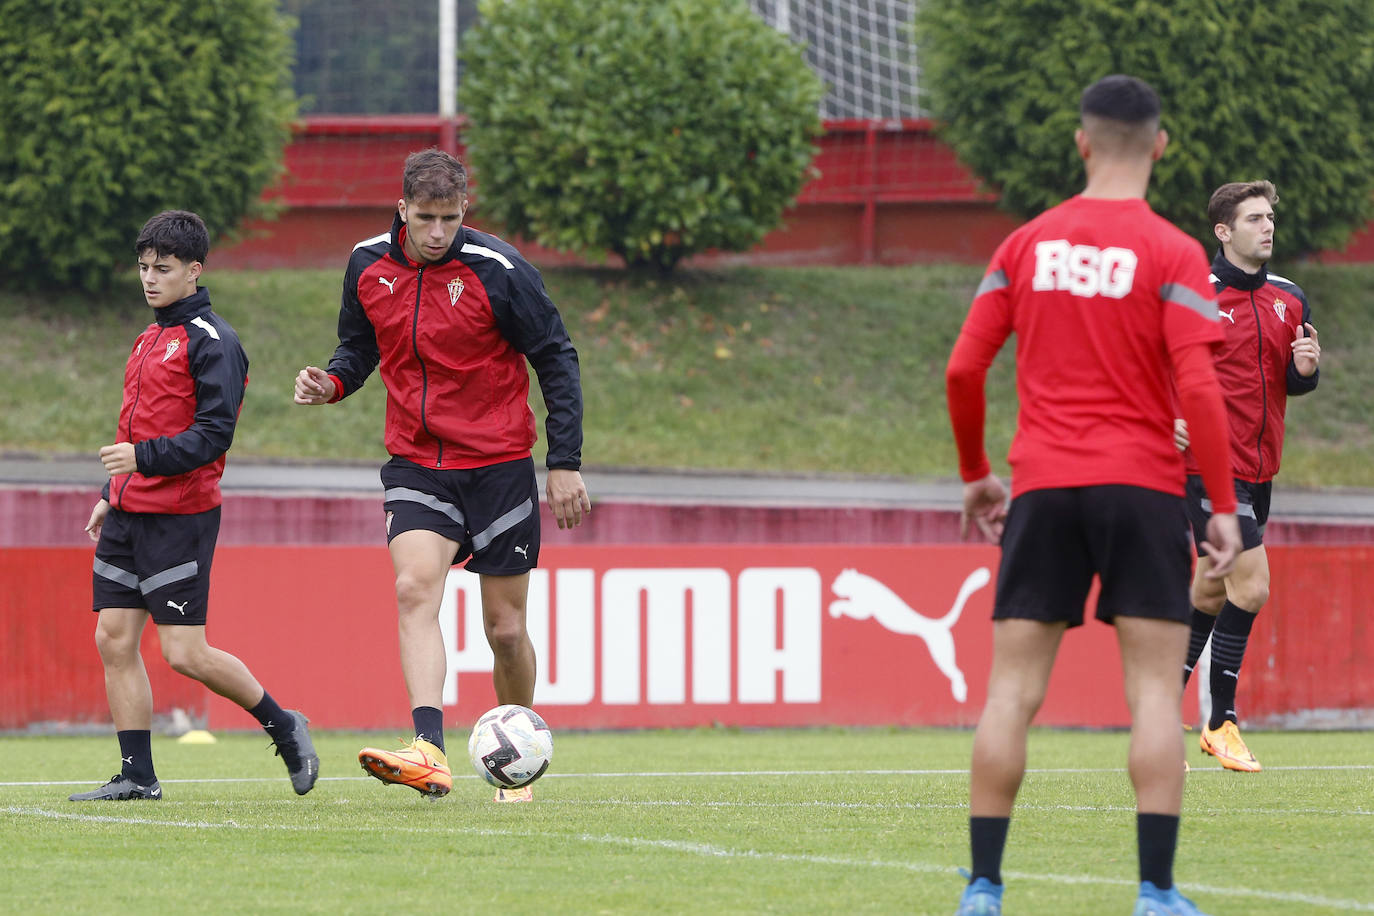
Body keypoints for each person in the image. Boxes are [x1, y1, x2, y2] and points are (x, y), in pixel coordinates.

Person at [944, 76, 1243, 916]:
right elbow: (1201, 386)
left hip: (1043, 485)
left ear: (1081, 143)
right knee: (1152, 693)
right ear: (1160, 145)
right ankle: (1154, 893)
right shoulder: (1176, 253)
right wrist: (1220, 504)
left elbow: (965, 368)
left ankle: (983, 888)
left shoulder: (1026, 245)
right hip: (1142, 489)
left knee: (1010, 694)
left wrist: (975, 475)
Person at [293, 148, 590, 803]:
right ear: (401, 210)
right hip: (418, 461)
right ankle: (429, 748)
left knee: (505, 631)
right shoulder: (367, 264)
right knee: (413, 587)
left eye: (449, 218)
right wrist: (332, 381)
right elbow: (359, 345)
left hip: (499, 464)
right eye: (424, 218)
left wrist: (563, 463)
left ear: (464, 211)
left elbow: (556, 358)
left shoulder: (500, 270)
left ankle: (518, 768)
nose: (436, 232)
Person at [73, 210, 318, 802]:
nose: (150, 279)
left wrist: (140, 461)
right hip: (130, 514)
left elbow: (213, 436)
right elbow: (135, 425)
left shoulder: (216, 342)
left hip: (180, 516)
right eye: (143, 268)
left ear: (194, 270)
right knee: (113, 639)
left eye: (163, 269)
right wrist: (112, 494)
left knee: (185, 653)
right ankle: (138, 775)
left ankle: (286, 727)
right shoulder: (148, 337)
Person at [1173, 181, 1320, 773]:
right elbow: (1146, 366)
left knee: (1213, 589)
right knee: (1252, 587)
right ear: (1223, 231)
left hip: (1260, 472)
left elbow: (1292, 381)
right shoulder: (1194, 297)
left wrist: (1304, 371)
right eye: (1254, 218)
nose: (1268, 227)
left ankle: (1156, 708)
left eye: (1269, 217)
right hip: (1207, 466)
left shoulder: (1290, 298)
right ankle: (1220, 721)